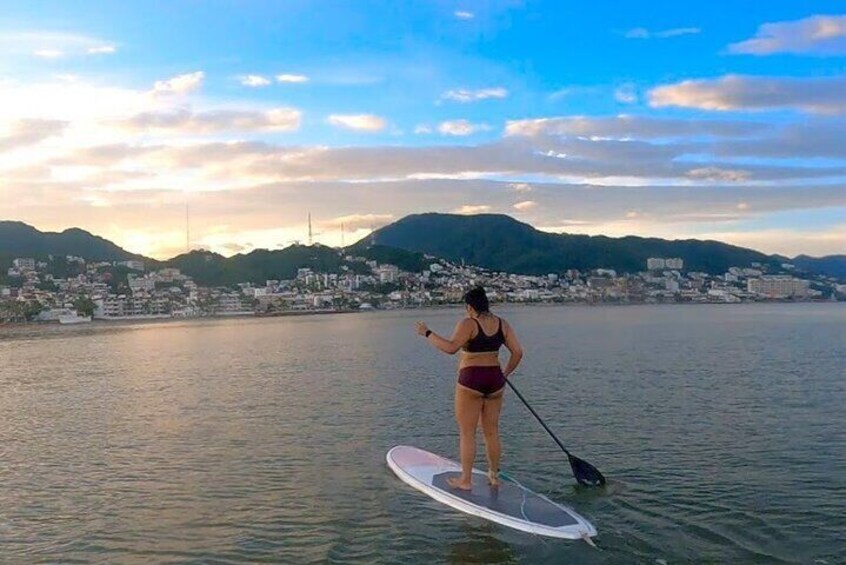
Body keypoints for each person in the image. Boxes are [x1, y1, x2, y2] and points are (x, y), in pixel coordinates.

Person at [415, 286, 523, 491]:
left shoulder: (469, 323)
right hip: (495, 380)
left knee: (467, 432)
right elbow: (517, 352)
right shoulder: (502, 324)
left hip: (471, 380)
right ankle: (494, 476)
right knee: (491, 431)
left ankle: (465, 480)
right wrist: (505, 374)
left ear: (470, 307)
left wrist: (427, 333)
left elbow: (450, 348)